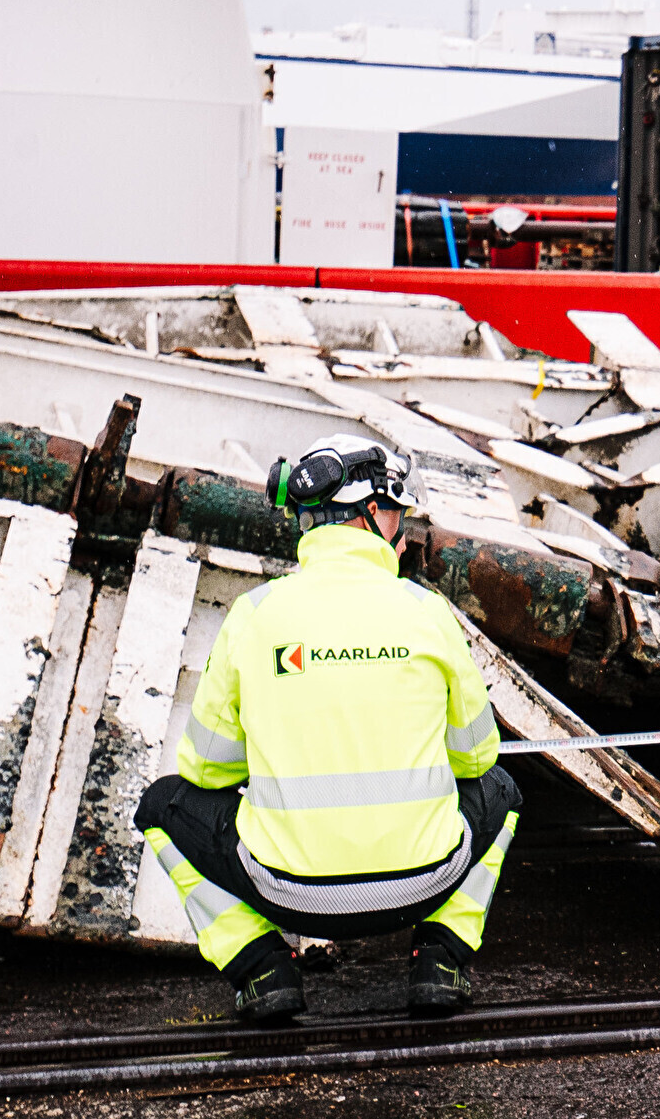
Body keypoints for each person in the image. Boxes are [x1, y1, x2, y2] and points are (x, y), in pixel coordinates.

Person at [136, 434, 522, 1025]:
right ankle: (441, 959)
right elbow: (476, 758)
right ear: (371, 513)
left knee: (162, 806)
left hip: (286, 892)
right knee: (504, 792)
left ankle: (261, 968)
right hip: (426, 883)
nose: (402, 530)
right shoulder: (427, 613)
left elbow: (206, 769)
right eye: (396, 513)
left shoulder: (254, 615)